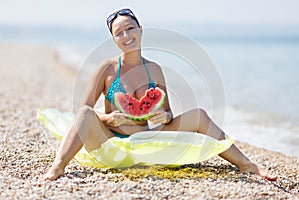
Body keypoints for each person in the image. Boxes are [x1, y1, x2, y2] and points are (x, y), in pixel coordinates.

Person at [43, 8, 277, 181]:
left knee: (199, 114)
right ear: (114, 39)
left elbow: (167, 113)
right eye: (119, 33)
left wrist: (164, 118)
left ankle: (247, 164)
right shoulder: (106, 68)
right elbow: (82, 111)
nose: (126, 36)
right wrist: (107, 119)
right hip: (111, 141)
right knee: (85, 113)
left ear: (140, 30)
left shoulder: (154, 69)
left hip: (145, 139)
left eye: (130, 29)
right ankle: (58, 166)